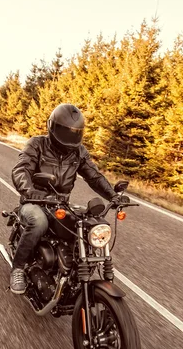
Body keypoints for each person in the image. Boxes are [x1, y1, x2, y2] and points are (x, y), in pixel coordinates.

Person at [10, 103, 119, 294]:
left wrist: (114, 195)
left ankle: (70, 272)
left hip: (60, 204)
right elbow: (21, 170)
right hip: (35, 201)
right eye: (66, 132)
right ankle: (18, 268)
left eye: (75, 133)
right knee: (38, 221)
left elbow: (93, 176)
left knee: (85, 226)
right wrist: (30, 191)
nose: (69, 138)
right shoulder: (37, 144)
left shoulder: (78, 152)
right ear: (52, 127)